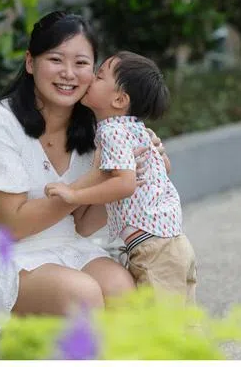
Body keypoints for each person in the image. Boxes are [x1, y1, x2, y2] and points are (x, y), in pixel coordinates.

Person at [0, 12, 169, 337]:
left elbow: (84, 224)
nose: (68, 73)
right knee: (82, 294)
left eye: (81, 63)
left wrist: (136, 171)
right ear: (30, 63)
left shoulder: (99, 129)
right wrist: (90, 182)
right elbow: (15, 225)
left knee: (121, 289)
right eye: (55, 59)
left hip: (68, 247)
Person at [46, 52, 197, 302]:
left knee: (161, 326)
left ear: (119, 99)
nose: (90, 79)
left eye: (99, 76)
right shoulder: (137, 128)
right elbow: (164, 167)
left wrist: (74, 194)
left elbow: (125, 184)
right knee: (183, 322)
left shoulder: (112, 132)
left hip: (152, 248)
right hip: (173, 243)